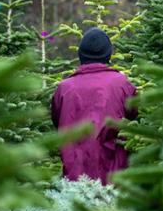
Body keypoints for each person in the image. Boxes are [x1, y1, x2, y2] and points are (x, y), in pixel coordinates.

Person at [51, 27, 137, 185]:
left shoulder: (64, 88)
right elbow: (135, 120)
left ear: (81, 55)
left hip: (74, 182)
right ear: (108, 54)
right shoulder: (122, 84)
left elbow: (57, 122)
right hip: (114, 180)